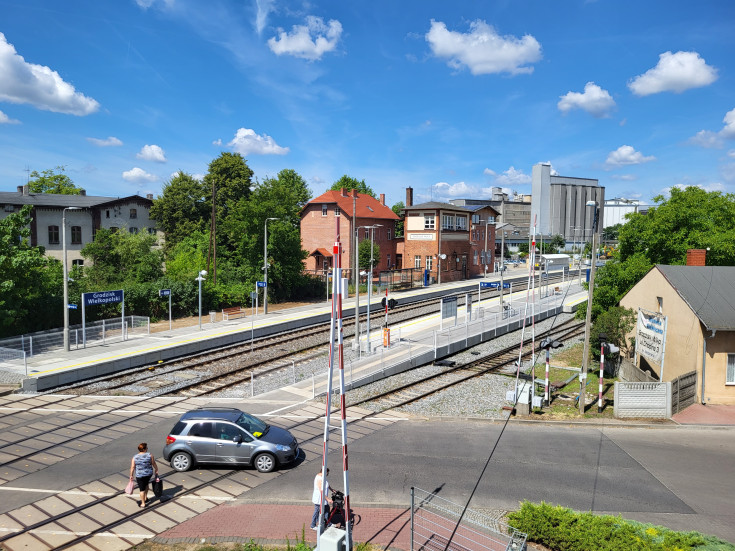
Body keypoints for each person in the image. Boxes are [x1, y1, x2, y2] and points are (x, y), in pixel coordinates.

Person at [129, 442, 159, 508]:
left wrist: (131, 475)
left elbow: (132, 467)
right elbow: (153, 463)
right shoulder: (150, 455)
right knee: (146, 485)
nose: (147, 449)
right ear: (144, 449)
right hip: (148, 474)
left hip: (140, 475)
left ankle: (143, 503)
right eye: (147, 448)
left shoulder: (135, 457)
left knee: (141, 489)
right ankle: (145, 497)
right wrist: (156, 469)